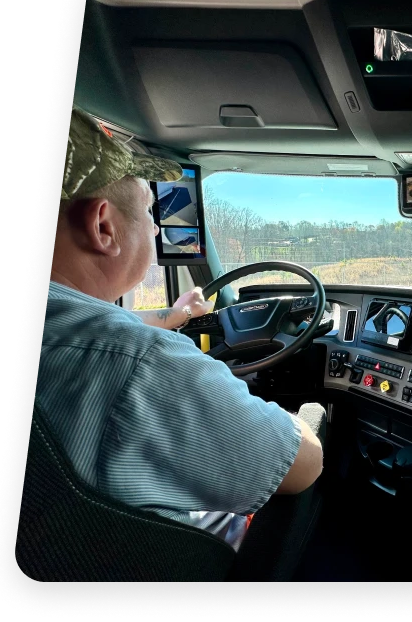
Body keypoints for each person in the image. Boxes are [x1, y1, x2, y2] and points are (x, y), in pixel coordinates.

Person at [34, 105, 323, 551]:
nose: (154, 227)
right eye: (151, 211)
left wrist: (176, 315)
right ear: (103, 226)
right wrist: (283, 416)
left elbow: (100, 326)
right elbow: (301, 466)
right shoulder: (142, 361)